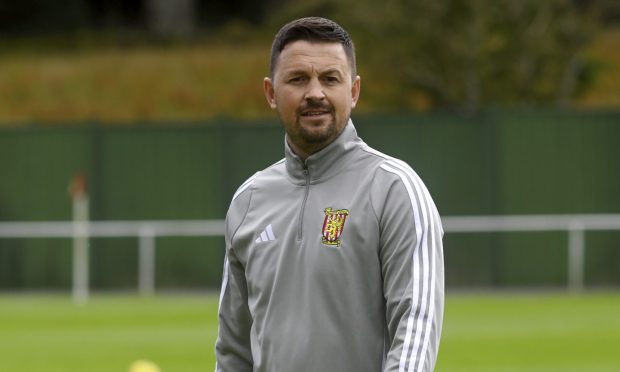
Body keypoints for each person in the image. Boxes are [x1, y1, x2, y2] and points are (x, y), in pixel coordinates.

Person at [215, 17, 444, 372]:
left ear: (353, 91)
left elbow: (416, 324)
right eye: (298, 79)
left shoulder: (394, 189)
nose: (315, 93)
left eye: (330, 78)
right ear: (271, 93)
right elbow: (233, 350)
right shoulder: (248, 201)